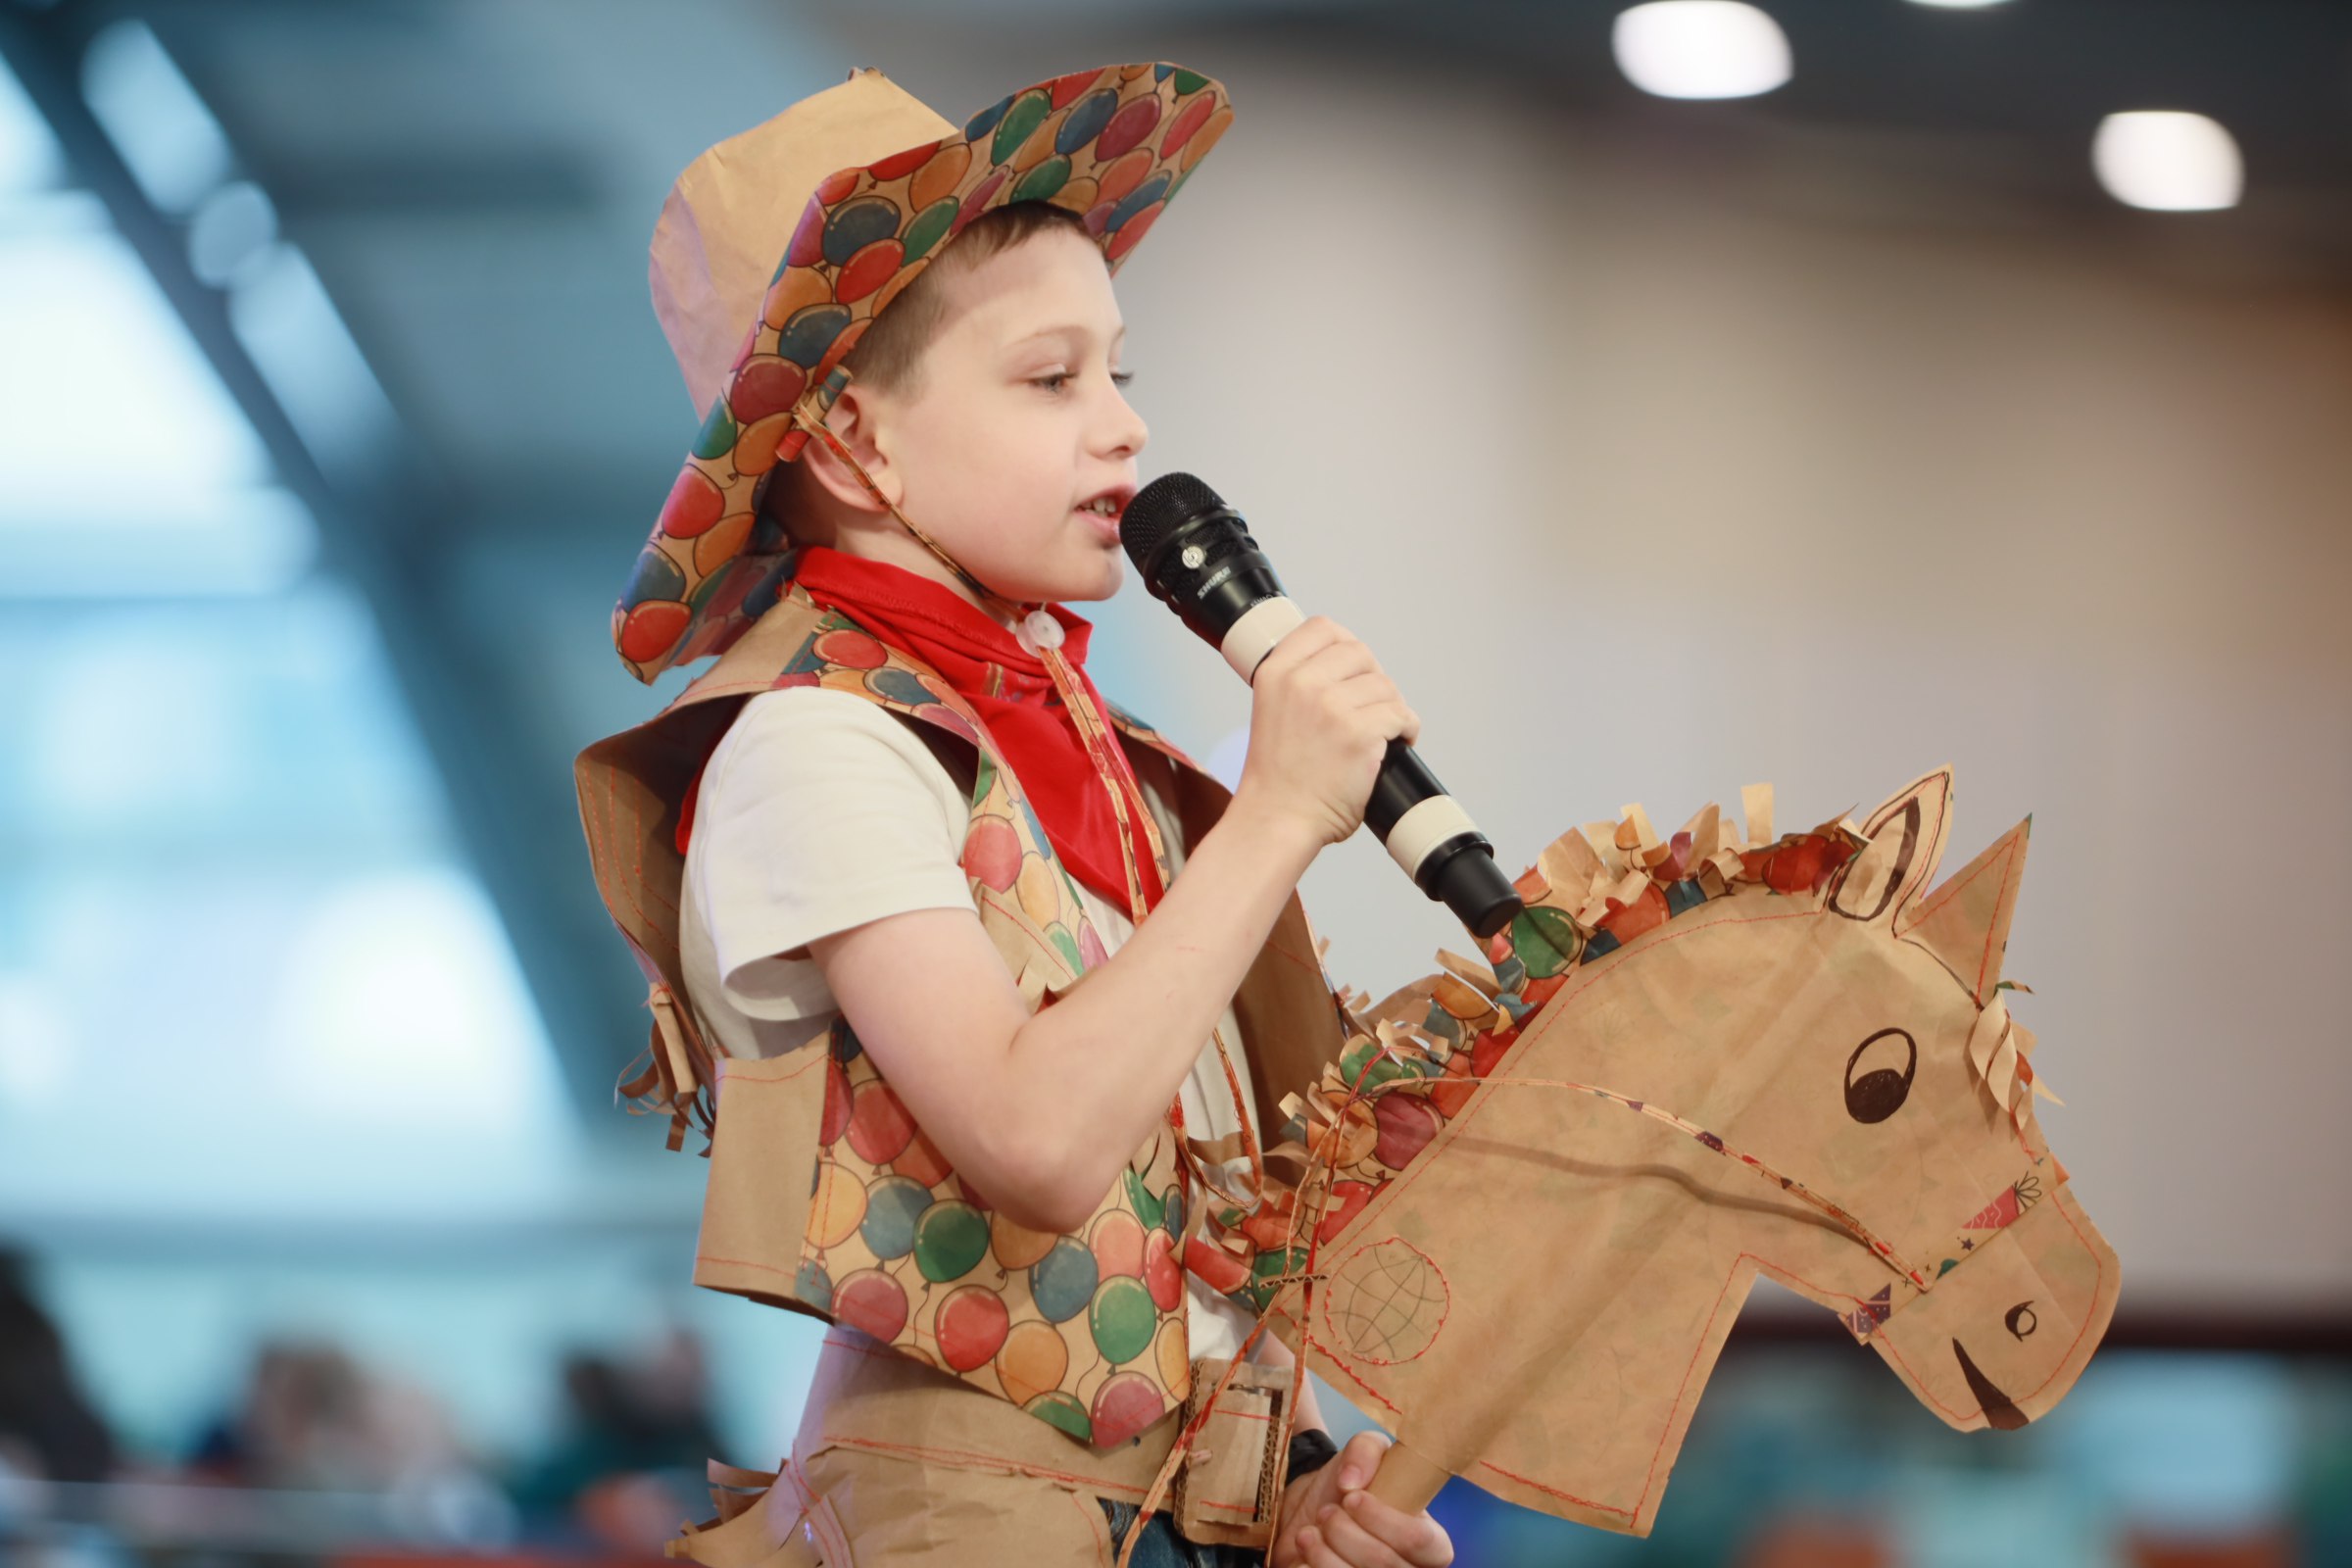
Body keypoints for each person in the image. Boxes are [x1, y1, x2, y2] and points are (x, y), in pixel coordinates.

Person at [575, 63, 1452, 1568]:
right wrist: (1274, 813)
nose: (1123, 430)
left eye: (1121, 374)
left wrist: (1288, 1502)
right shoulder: (814, 743)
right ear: (853, 436)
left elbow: (1176, 1219)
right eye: (1052, 381)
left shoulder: (1086, 748)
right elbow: (1036, 1141)